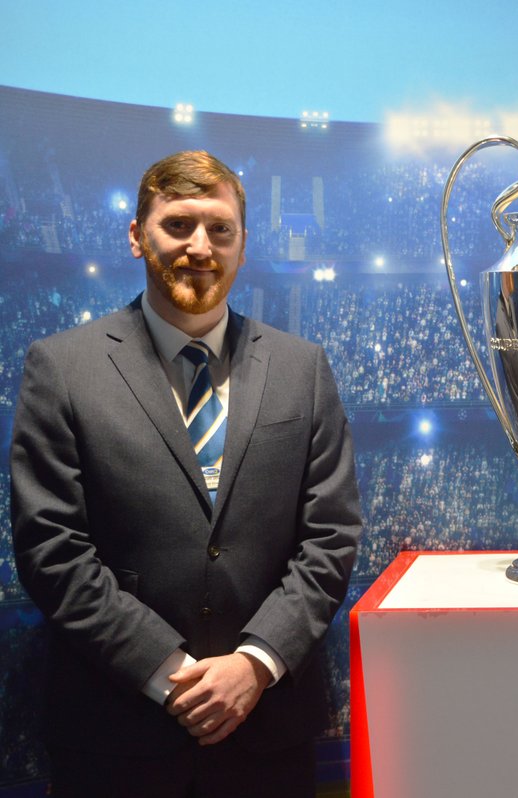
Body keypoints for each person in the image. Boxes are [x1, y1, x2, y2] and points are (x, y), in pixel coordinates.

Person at [11, 151, 361, 797]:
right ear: (137, 234)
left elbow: (332, 537)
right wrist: (171, 674)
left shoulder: (302, 367)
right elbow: (51, 551)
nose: (200, 246)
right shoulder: (62, 368)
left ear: (243, 245)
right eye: (178, 225)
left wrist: (254, 666)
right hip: (117, 735)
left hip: (268, 731)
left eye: (220, 229)